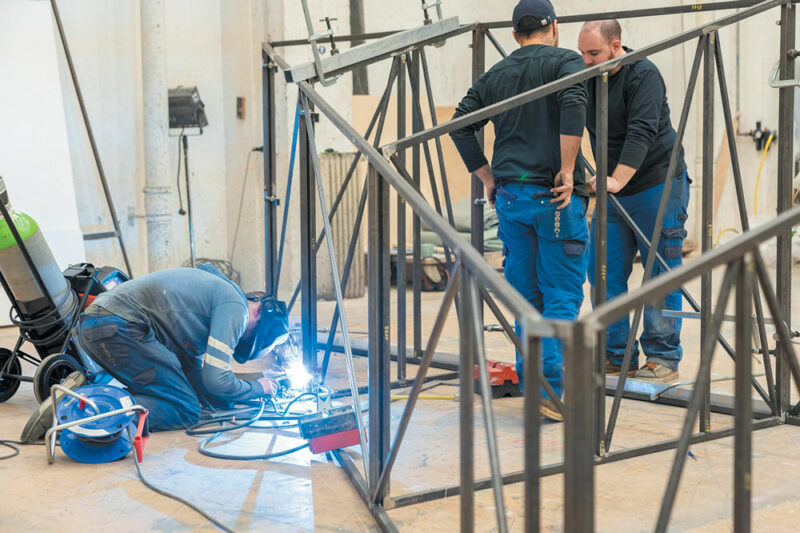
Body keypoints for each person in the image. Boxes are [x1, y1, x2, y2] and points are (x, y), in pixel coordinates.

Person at [449, 0, 589, 421]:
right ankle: (551, 389)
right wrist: (567, 170)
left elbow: (460, 125)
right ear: (555, 28)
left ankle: (535, 388)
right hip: (555, 196)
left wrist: (488, 179)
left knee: (525, 296)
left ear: (515, 35)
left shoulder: (496, 75)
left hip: (511, 198)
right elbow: (574, 105)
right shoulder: (565, 61)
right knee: (561, 293)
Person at [22, 264, 289, 439]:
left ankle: (82, 395)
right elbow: (215, 380)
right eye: (250, 334)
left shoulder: (205, 308)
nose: (241, 334)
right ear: (257, 310)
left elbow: (197, 376)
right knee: (185, 409)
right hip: (120, 328)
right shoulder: (236, 307)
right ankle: (77, 413)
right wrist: (260, 389)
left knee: (179, 397)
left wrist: (232, 398)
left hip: (100, 325)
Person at [579, 19, 691, 382]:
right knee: (603, 271)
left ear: (616, 46)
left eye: (593, 53)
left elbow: (641, 132)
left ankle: (662, 356)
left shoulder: (644, 75)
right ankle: (615, 354)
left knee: (659, 271)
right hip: (613, 188)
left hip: (656, 182)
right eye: (582, 53)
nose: (587, 61)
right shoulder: (588, 77)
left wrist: (615, 180)